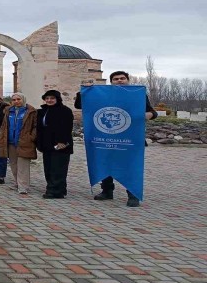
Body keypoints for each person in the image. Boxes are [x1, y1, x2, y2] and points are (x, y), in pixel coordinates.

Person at [74, 71, 157, 207]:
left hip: (129, 139)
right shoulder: (101, 95)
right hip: (105, 137)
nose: (119, 81)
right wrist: (84, 91)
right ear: (111, 82)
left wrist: (147, 115)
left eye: (122, 78)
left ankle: (133, 194)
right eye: (116, 79)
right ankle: (107, 191)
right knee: (105, 163)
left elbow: (153, 112)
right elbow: (79, 106)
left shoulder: (136, 94)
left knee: (130, 166)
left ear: (127, 80)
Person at [0, 92, 37, 195]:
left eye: (18, 99)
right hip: (11, 141)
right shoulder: (8, 111)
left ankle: (23, 186)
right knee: (13, 164)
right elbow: (4, 125)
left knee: (23, 164)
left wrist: (31, 137)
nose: (16, 101)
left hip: (24, 142)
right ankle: (17, 182)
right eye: (14, 100)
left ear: (23, 99)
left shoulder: (30, 111)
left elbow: (35, 126)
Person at [37, 90, 74, 199]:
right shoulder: (43, 111)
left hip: (61, 144)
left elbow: (67, 127)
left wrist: (62, 141)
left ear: (57, 99)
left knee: (58, 168)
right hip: (47, 144)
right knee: (48, 168)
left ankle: (56, 191)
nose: (49, 100)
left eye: (52, 98)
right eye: (47, 98)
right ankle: (53, 188)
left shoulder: (65, 111)